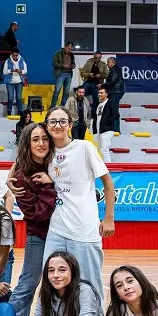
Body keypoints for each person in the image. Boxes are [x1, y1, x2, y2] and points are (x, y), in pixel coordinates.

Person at [39, 107, 115, 299]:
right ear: (47, 126)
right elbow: (23, 153)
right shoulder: (46, 152)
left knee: (90, 287)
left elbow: (108, 183)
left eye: (62, 121)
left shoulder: (84, 147)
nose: (58, 125)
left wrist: (109, 218)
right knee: (51, 284)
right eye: (53, 121)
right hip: (56, 230)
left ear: (70, 125)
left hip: (84, 231)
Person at [7, 123, 57, 316]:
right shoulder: (20, 177)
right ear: (27, 143)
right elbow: (37, 214)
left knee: (62, 286)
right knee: (28, 284)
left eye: (45, 139)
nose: (41, 144)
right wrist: (49, 186)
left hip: (65, 235)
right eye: (35, 139)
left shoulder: (57, 165)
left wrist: (53, 180)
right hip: (40, 236)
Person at [93, 85, 118, 163]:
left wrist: (107, 123)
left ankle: (109, 170)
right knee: (100, 150)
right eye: (98, 93)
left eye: (101, 93)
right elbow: (96, 119)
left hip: (107, 130)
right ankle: (103, 170)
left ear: (106, 94)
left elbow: (116, 114)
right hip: (99, 131)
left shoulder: (110, 102)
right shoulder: (99, 105)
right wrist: (95, 131)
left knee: (104, 150)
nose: (99, 94)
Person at [2, 48, 27, 117]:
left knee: (19, 98)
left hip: (19, 81)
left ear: (18, 54)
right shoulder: (7, 61)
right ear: (11, 54)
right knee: (10, 98)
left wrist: (20, 71)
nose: (15, 56)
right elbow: (4, 72)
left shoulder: (22, 60)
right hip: (10, 82)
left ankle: (20, 112)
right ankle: (9, 112)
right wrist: (11, 70)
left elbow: (25, 70)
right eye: (14, 55)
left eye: (16, 55)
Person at [50, 41, 75, 108]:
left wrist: (73, 65)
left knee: (66, 92)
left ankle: (63, 106)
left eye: (71, 49)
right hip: (61, 74)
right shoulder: (58, 53)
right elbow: (54, 63)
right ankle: (52, 106)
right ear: (65, 47)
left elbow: (73, 63)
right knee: (57, 91)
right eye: (68, 49)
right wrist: (62, 66)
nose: (69, 50)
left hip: (69, 74)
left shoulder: (72, 55)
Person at [105, 57, 125, 132]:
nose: (107, 64)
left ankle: (116, 129)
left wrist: (103, 86)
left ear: (113, 62)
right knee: (112, 109)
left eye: (108, 62)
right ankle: (114, 128)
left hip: (115, 92)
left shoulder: (115, 70)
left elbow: (112, 81)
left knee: (114, 110)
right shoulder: (115, 69)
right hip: (115, 91)